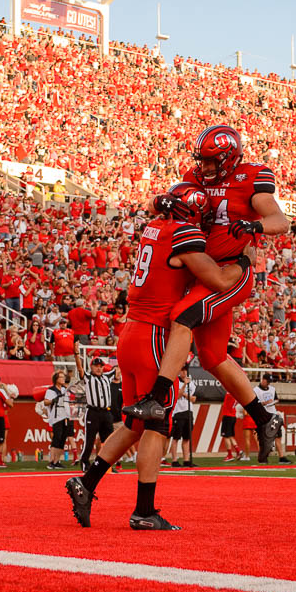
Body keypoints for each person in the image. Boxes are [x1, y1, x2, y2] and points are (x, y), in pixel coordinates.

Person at [65, 183, 245, 530]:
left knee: (134, 425)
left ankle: (85, 483)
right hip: (153, 335)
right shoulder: (182, 233)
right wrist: (244, 263)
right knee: (157, 424)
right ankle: (144, 511)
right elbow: (221, 281)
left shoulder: (155, 227)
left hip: (130, 332)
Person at [127, 126, 290, 463]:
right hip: (205, 272)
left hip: (230, 272)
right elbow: (157, 203)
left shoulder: (252, 176)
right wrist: (159, 200)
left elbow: (279, 219)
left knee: (181, 317)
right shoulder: (196, 178)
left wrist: (253, 227)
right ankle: (264, 418)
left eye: (212, 162)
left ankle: (157, 396)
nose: (205, 168)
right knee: (213, 357)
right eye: (202, 162)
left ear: (229, 158)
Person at [77, 356, 116, 471]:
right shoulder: (88, 377)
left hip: (106, 412)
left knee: (109, 441)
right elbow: (80, 369)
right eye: (96, 366)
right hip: (93, 412)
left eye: (101, 366)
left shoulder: (107, 377)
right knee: (90, 439)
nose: (99, 369)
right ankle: (85, 463)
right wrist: (76, 353)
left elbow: (119, 368)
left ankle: (107, 465)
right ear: (91, 367)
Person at [254, 374, 289, 464]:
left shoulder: (272, 389)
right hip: (263, 416)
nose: (268, 384)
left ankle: (281, 457)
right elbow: (254, 404)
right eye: (267, 382)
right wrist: (265, 403)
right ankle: (263, 458)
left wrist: (273, 402)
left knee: (278, 437)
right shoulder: (256, 390)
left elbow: (276, 399)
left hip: (273, 414)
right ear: (263, 380)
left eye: (269, 382)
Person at [43, 370, 74, 469]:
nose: (63, 379)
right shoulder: (51, 390)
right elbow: (46, 402)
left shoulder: (65, 389)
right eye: (61, 377)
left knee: (63, 439)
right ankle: (51, 461)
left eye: (63, 377)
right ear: (56, 379)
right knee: (57, 438)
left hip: (65, 415)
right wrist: (54, 400)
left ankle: (56, 461)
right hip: (57, 416)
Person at [166, 368, 196, 467]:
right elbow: (177, 396)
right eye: (182, 371)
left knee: (187, 438)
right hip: (178, 412)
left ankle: (186, 459)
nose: (184, 373)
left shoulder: (191, 383)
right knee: (176, 437)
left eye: (185, 371)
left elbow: (193, 398)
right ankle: (174, 460)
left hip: (189, 411)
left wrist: (186, 394)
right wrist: (184, 386)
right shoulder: (176, 382)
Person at [219, 392, 242, 461]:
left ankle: (230, 455)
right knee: (230, 436)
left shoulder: (230, 394)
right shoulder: (237, 394)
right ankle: (238, 451)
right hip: (233, 416)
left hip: (227, 416)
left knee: (226, 436)